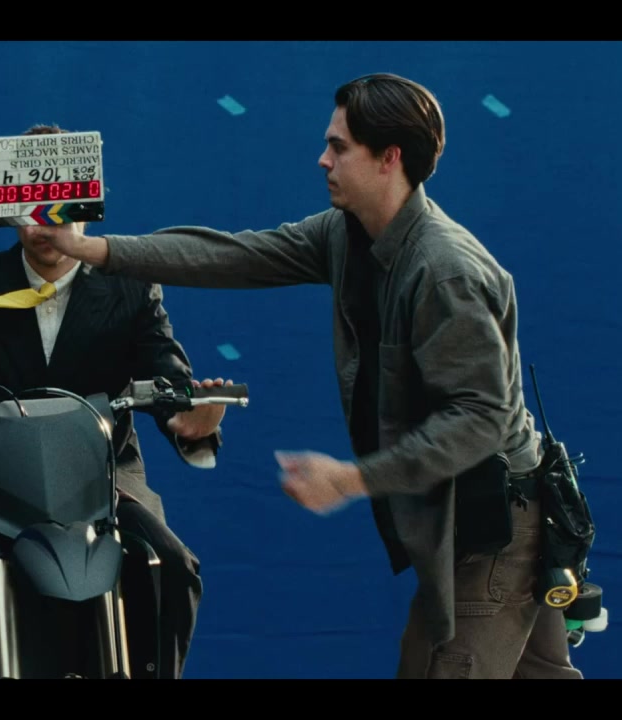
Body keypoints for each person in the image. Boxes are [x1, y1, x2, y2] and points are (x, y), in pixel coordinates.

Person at [40, 73, 584, 679]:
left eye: (339, 146)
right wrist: (91, 250)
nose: (323, 159)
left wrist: (353, 478)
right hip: (475, 514)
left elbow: (480, 419)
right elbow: (233, 256)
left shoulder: (445, 271)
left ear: (389, 158)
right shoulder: (346, 235)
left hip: (496, 526)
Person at [0, 123, 232, 679]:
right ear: (7, 207)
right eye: (27, 208)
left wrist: (192, 423)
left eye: (57, 207)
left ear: (87, 205)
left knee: (173, 565)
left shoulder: (132, 284)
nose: (41, 223)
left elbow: (166, 375)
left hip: (105, 475)